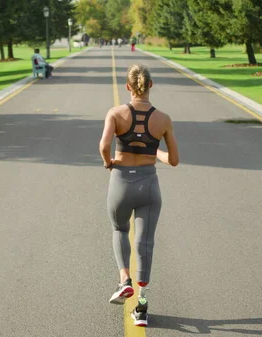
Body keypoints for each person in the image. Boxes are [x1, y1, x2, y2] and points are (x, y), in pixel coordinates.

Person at [99, 64, 179, 327]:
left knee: (120, 230)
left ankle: (124, 281)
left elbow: (104, 145)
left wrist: (109, 162)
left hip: (121, 180)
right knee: (145, 243)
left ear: (128, 87)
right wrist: (153, 152)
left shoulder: (116, 113)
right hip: (148, 184)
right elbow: (174, 160)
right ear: (151, 85)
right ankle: (141, 307)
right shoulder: (163, 119)